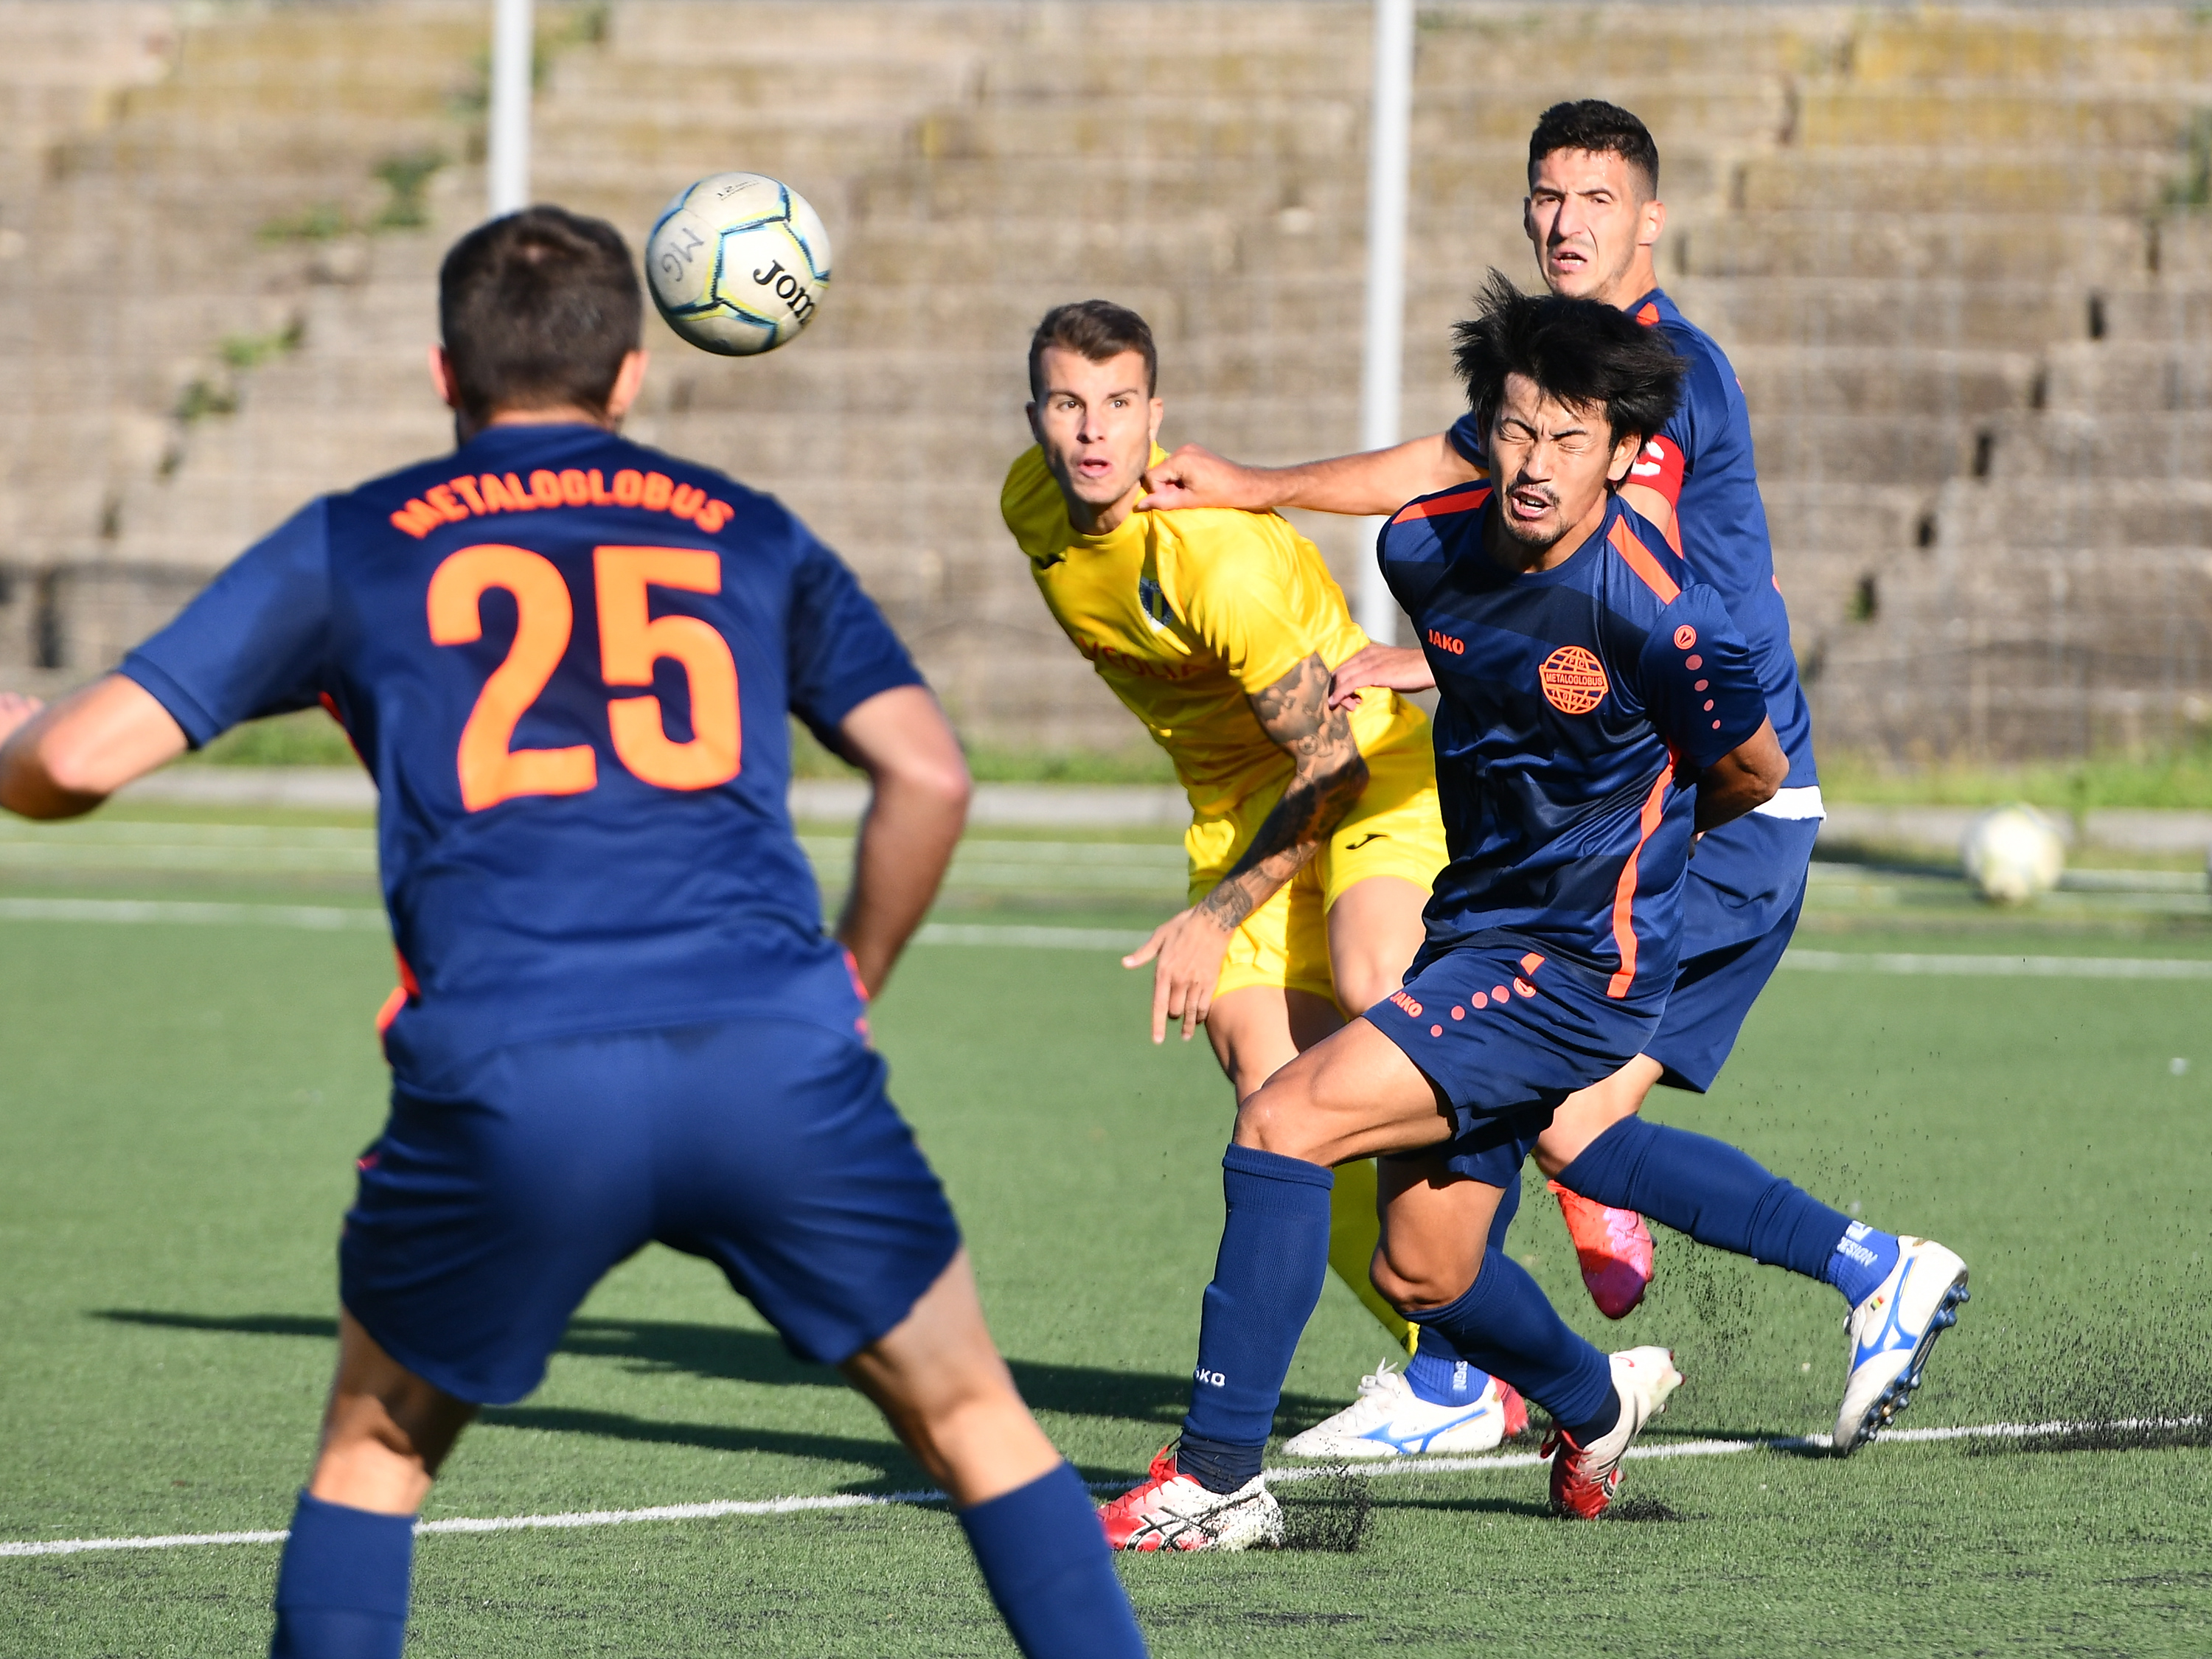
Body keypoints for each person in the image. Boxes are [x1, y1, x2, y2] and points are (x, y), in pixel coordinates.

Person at [0, 207, 1146, 1659]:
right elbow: (931, 774)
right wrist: (843, 987)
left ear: (442, 374)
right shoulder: (752, 532)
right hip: (772, 1059)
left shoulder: (357, 546)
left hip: (512, 1075)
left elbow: (77, 765)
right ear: (631, 380)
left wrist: (15, 749)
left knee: (377, 1455)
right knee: (975, 1417)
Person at [1098, 278, 1968, 1551]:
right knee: (1424, 1268)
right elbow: (1487, 655)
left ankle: (1219, 1476)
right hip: (1473, 933)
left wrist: (1626, 849)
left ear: (1624, 454)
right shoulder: (1424, 549)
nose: (1534, 463)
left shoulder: (1663, 609)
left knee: (1284, 1119)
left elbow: (1751, 771)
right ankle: (1591, 1398)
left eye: (1569, 439)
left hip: (1570, 970)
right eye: (1514, 429)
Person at [1001, 299, 1526, 1459]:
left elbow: (1328, 760)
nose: (1094, 433)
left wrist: (1215, 913)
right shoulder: (1027, 506)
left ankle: (1569, 1160)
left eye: (1119, 405)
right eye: (1068, 403)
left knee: (1381, 983)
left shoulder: (1210, 559)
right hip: (1240, 811)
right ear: (1033, 413)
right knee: (1275, 1096)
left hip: (1366, 768)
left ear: (1157, 415)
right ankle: (1470, 1366)